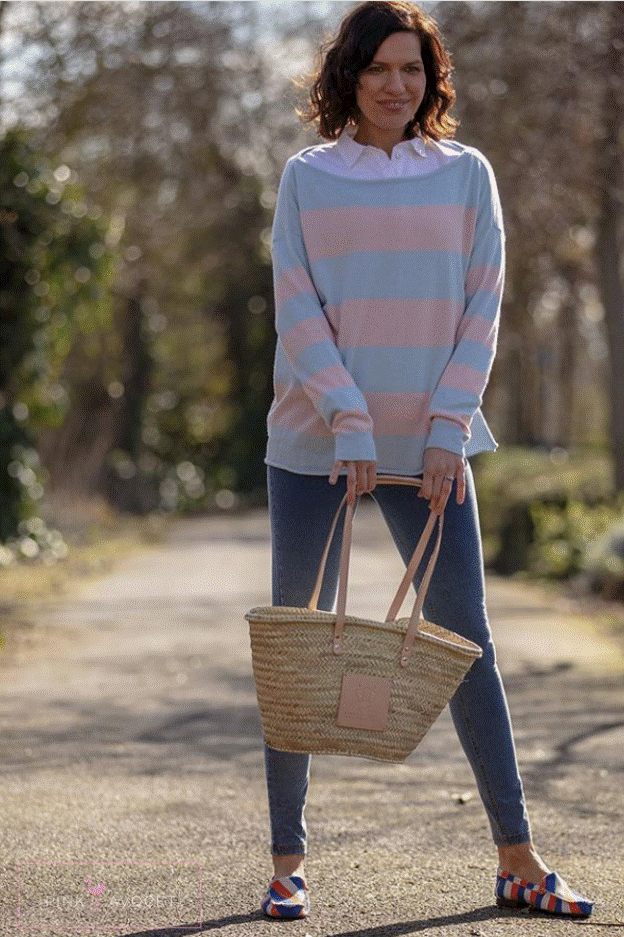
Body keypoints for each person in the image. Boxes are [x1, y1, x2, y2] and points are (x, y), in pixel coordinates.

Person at [259, 0, 593, 921]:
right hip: (317, 441)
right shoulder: (308, 177)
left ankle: (518, 857)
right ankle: (287, 861)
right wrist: (349, 421)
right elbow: (296, 306)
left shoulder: (465, 173)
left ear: (431, 79)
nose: (396, 85)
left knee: (467, 642)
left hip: (434, 447)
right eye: (378, 68)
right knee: (294, 647)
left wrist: (449, 427)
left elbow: (483, 303)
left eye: (412, 68)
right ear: (349, 76)